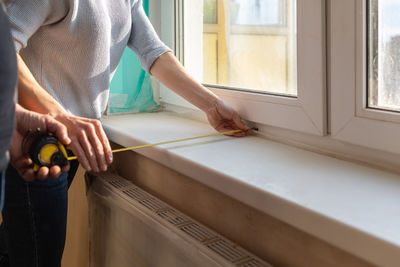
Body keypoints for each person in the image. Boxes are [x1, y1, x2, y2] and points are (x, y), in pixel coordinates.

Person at [3, 0, 249, 266]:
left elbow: (153, 51)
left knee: (15, 249)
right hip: (35, 143)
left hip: (71, 146)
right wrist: (60, 117)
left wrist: (211, 105)